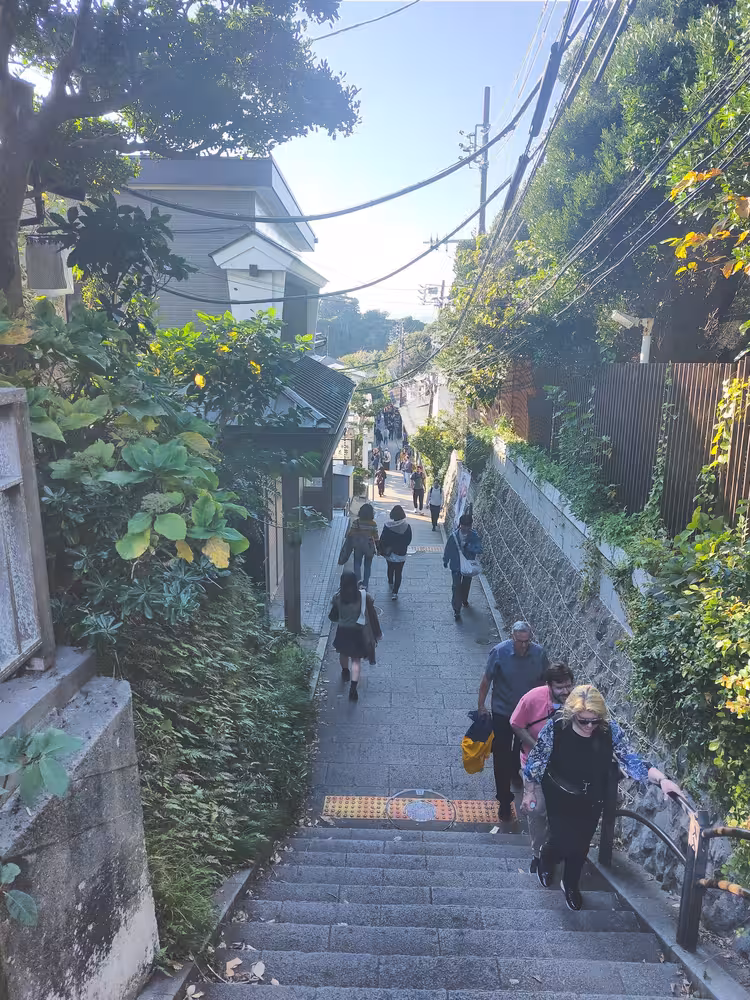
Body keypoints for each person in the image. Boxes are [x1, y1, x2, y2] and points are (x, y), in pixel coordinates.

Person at [523, 684, 683, 910]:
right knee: (562, 837)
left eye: (594, 720)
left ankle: (570, 883)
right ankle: (547, 857)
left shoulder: (609, 730)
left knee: (581, 843)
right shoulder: (557, 728)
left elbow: (630, 758)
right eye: (583, 721)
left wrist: (662, 779)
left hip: (592, 794)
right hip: (559, 791)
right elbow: (537, 760)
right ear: (572, 715)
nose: (590, 726)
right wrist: (529, 791)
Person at [478, 621, 549, 822]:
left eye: (527, 642)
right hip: (503, 712)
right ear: (512, 637)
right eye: (520, 641)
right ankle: (504, 800)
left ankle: (515, 773)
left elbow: (546, 682)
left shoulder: (540, 654)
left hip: (527, 716)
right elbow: (486, 681)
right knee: (501, 756)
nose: (524, 646)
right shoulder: (499, 652)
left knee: (521, 752)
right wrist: (481, 706)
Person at [510, 663, 575, 873]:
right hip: (534, 762)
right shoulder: (531, 699)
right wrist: (537, 746)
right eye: (560, 687)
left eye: (568, 686)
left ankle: (555, 848)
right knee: (537, 810)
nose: (565, 691)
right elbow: (516, 723)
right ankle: (538, 853)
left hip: (563, 764)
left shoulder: (578, 701)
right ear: (548, 685)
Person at [329, 571, 382, 701]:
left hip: (343, 630)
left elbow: (333, 616)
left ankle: (345, 671)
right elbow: (371, 603)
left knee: (343, 653)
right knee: (356, 660)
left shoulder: (337, 597)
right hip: (358, 631)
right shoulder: (364, 596)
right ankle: (353, 687)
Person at [443, 513, 483, 620]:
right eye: (463, 525)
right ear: (460, 524)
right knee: (456, 587)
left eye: (468, 526)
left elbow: (479, 549)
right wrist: (445, 560)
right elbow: (448, 549)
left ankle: (464, 599)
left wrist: (468, 546)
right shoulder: (454, 536)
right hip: (456, 566)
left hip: (468, 566)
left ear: (471, 525)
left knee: (466, 585)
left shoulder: (474, 536)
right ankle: (456, 609)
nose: (465, 528)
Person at [379, 504, 412, 600]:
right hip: (401, 553)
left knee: (390, 568)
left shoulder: (388, 526)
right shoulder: (407, 526)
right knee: (398, 572)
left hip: (390, 553)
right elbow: (408, 540)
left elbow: (383, 539)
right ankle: (395, 592)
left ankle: (390, 582)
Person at [346, 502, 379, 590]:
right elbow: (376, 537)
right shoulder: (373, 524)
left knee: (357, 564)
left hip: (358, 546)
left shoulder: (356, 522)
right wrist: (379, 549)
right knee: (367, 566)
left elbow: (350, 534)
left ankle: (358, 581)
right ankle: (365, 584)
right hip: (369, 547)